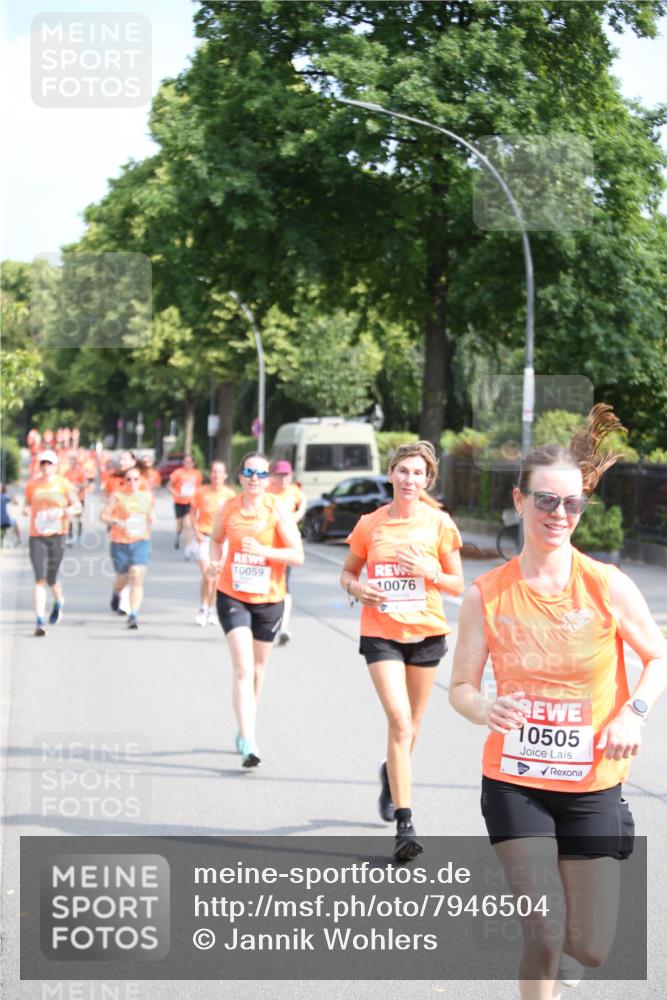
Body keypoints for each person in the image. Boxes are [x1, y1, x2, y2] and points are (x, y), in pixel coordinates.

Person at [448, 405, 667, 998]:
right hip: (516, 780)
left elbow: (658, 658)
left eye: (572, 504)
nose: (559, 514)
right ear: (519, 501)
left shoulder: (606, 584)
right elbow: (462, 687)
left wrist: (633, 711)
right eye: (546, 501)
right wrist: (483, 708)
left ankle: (564, 945)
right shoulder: (486, 595)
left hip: (594, 782)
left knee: (589, 946)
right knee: (543, 931)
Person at [340, 441, 464, 861]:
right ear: (391, 473)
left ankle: (389, 774)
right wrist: (356, 589)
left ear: (427, 480)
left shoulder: (440, 524)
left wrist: (431, 571)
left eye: (418, 474)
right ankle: (405, 822)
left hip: (427, 633)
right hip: (381, 633)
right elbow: (347, 572)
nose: (410, 479)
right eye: (404, 471)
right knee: (398, 721)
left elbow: (457, 584)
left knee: (412, 724)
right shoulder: (370, 524)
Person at [208, 452, 304, 767]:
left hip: (269, 598)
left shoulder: (277, 510)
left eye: (261, 474)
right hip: (232, 594)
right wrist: (215, 560)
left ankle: (244, 723)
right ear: (240, 476)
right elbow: (216, 540)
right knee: (243, 669)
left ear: (267, 480)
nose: (254, 478)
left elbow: (297, 555)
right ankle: (250, 741)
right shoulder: (229, 508)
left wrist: (264, 550)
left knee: (259, 670)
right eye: (249, 472)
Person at [24, 450, 82, 636]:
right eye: (43, 463)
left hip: (57, 533)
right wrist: (27, 511)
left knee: (51, 577)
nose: (46, 467)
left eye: (49, 463)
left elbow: (77, 505)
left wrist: (63, 512)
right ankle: (39, 621)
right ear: (39, 465)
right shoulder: (33, 484)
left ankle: (58, 601)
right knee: (39, 578)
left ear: (56, 466)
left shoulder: (63, 484)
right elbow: (27, 503)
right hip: (37, 534)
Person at [101, 465, 155, 630]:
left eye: (136, 479)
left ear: (141, 481)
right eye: (129, 479)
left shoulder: (146, 496)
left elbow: (149, 515)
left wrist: (151, 518)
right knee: (122, 579)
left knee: (136, 574)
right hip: (120, 542)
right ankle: (117, 592)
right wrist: (117, 521)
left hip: (140, 541)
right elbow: (103, 516)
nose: (132, 482)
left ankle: (133, 615)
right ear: (123, 481)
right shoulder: (117, 496)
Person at [189, 460, 236, 626]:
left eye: (220, 472)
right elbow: (192, 514)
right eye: (214, 471)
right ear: (210, 474)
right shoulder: (201, 492)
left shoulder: (230, 495)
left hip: (221, 540)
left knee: (216, 578)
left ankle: (211, 609)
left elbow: (234, 517)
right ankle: (202, 608)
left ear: (225, 475)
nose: (216, 475)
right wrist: (196, 533)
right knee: (208, 576)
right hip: (204, 536)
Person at [267, 459, 307, 644]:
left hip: (286, 547)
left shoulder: (293, 491)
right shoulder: (266, 491)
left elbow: (303, 499)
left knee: (284, 584)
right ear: (273, 476)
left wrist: (297, 516)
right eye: (279, 475)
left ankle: (283, 627)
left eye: (286, 475)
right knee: (267, 583)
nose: (283, 479)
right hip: (266, 545)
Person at [168, 454, 202, 551]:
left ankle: (188, 546)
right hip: (179, 501)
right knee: (180, 524)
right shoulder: (178, 473)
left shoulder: (197, 474)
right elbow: (169, 486)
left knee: (188, 523)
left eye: (190, 462)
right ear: (183, 462)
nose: (188, 464)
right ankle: (178, 536)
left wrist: (198, 500)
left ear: (193, 463)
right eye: (186, 462)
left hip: (191, 502)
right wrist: (175, 493)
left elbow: (198, 488)